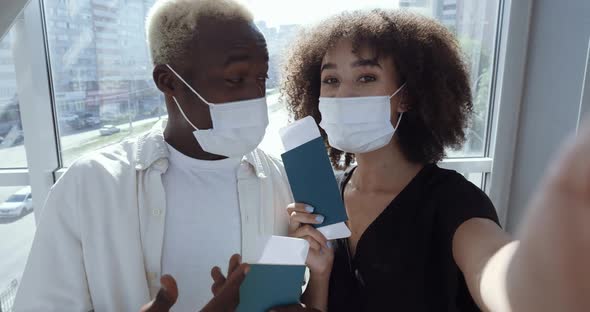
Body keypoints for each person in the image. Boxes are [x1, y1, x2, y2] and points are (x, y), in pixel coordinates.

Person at [282, 9, 590, 312]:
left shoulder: (452, 201)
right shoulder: (324, 197)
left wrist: (531, 285)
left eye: (366, 77)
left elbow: (491, 265)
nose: (343, 96)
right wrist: (319, 274)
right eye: (331, 80)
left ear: (406, 96)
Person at [14, 0, 294, 311]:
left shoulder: (281, 182)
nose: (254, 96)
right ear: (168, 81)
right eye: (234, 79)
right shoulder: (90, 187)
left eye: (261, 78)